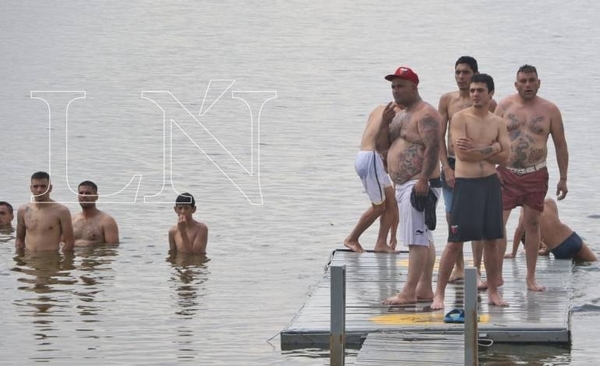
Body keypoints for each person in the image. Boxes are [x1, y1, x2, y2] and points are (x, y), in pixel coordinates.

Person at [431, 74, 510, 310]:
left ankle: (493, 291)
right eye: (473, 90)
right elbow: (463, 154)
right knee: (455, 241)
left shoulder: (498, 122)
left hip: (489, 184)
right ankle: (439, 294)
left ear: (491, 94)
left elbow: (506, 157)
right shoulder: (460, 118)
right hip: (467, 184)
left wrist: (483, 148)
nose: (474, 94)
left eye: (480, 90)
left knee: (492, 241)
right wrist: (493, 147)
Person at [495, 64, 569, 292]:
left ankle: (530, 277)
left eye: (531, 80)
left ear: (539, 82)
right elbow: (489, 137)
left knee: (533, 224)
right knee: (498, 224)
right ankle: (495, 277)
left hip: (535, 173)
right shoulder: (504, 105)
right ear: (516, 84)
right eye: (523, 81)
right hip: (506, 173)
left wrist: (563, 178)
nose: (527, 85)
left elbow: (560, 144)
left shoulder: (550, 110)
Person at [377, 66, 442, 305]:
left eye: (400, 86)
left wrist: (424, 180)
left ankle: (408, 292)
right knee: (424, 237)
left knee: (416, 240)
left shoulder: (426, 114)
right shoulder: (400, 114)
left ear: (414, 86)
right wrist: (384, 123)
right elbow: (382, 145)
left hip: (419, 183)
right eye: (393, 86)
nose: (396, 91)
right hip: (404, 183)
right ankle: (424, 288)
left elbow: (433, 148)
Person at [438, 56, 497, 286]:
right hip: (452, 163)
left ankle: (477, 267)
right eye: (458, 72)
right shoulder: (447, 100)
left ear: (475, 74)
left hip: (476, 167)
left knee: (478, 219)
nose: (461, 77)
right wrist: (444, 167)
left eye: (466, 72)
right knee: (452, 214)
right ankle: (459, 267)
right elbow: (440, 137)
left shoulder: (488, 103)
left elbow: (494, 137)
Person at [344, 104, 399, 253]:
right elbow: (382, 143)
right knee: (379, 207)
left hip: (366, 156)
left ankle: (381, 243)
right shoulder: (398, 114)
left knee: (392, 202)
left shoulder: (378, 109)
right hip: (371, 158)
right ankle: (352, 238)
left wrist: (394, 236)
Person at [505, 198, 596, 262]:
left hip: (559, 249)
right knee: (594, 262)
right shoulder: (550, 202)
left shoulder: (525, 211)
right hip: (572, 238)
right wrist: (546, 250)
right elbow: (554, 224)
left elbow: (519, 232)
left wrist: (513, 253)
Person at [15, 171, 74, 252]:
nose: (39, 190)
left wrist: (65, 262)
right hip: (30, 259)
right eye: (35, 186)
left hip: (50, 259)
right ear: (31, 188)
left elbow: (69, 242)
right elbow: (19, 240)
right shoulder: (23, 210)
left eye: (43, 186)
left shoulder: (61, 211)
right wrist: (19, 261)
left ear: (50, 188)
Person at [72, 180, 120, 245]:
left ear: (96, 196)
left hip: (95, 254)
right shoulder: (71, 220)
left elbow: (112, 249)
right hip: (75, 254)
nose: (83, 196)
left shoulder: (107, 221)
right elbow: (62, 243)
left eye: (88, 193)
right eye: (81, 193)